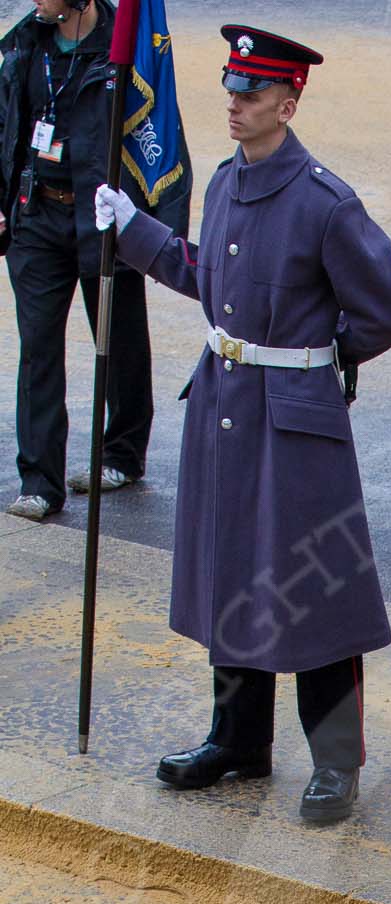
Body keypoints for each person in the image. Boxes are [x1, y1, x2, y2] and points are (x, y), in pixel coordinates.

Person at [95, 24, 391, 826]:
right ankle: (238, 741)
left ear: (288, 99)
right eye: (231, 91)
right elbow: (208, 275)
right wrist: (134, 228)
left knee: (313, 590)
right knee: (233, 571)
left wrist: (319, 357)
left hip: (293, 415)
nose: (233, 105)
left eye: (250, 94)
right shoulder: (227, 183)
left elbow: (389, 310)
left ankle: (335, 763)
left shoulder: (324, 200)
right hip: (224, 403)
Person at [0, 0, 192, 521]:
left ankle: (123, 455)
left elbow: (160, 130)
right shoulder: (22, 43)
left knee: (120, 337)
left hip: (105, 218)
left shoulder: (125, 43)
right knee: (38, 347)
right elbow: (5, 127)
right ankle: (40, 482)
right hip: (37, 217)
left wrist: (164, 236)